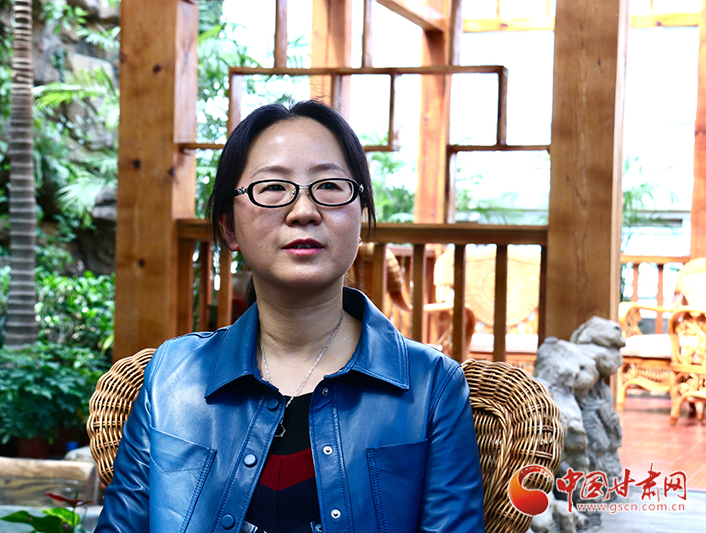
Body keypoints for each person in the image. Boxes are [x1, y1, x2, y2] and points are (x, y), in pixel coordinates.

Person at [95, 100, 485, 533]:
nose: (304, 211)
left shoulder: (431, 387)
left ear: (360, 216)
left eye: (330, 186)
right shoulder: (171, 375)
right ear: (229, 227)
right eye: (273, 187)